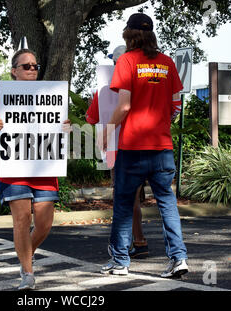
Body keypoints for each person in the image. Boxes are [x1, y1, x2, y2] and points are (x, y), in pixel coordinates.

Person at [100, 13, 188, 278]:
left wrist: (107, 131)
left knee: (124, 204)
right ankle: (179, 258)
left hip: (133, 147)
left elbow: (124, 105)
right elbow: (176, 105)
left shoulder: (126, 61)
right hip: (162, 147)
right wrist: (162, 124)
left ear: (129, 34)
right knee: (167, 203)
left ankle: (120, 262)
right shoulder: (167, 63)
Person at [0, 49, 70, 291]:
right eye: (26, 66)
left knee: (43, 224)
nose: (32, 69)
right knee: (22, 219)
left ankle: (25, 256)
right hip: (14, 170)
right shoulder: (1, 100)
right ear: (14, 71)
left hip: (44, 169)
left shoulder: (50, 97)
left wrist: (65, 129)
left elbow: (59, 133)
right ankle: (28, 273)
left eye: (35, 65)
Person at [86, 45, 149, 259]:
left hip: (119, 148)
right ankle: (139, 241)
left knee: (124, 198)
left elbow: (91, 119)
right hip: (147, 145)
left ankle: (126, 246)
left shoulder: (104, 91)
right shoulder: (144, 85)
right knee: (136, 198)